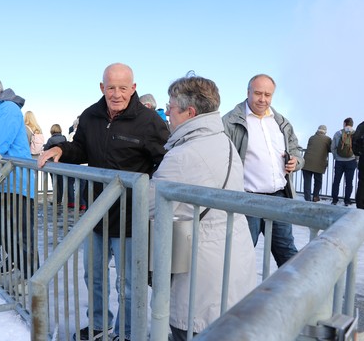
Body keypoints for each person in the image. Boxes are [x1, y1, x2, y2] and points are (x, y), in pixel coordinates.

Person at [38, 63, 170, 341]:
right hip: (97, 213)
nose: (117, 93)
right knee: (94, 276)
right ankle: (99, 325)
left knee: (129, 283)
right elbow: (81, 148)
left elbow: (166, 163)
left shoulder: (150, 122)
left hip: (131, 218)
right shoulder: (90, 116)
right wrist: (61, 148)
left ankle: (127, 332)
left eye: (123, 87)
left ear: (134, 88)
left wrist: (151, 198)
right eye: (111, 87)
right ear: (102, 88)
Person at [150, 72, 256, 340]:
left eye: (171, 108)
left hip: (200, 274)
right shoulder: (225, 142)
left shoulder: (184, 154)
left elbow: (150, 207)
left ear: (190, 112)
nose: (168, 115)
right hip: (230, 260)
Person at [222, 74, 302, 267]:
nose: (263, 99)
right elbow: (221, 157)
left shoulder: (280, 121)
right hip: (247, 199)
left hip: (279, 197)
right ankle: (240, 296)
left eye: (268, 94)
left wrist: (296, 161)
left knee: (287, 251)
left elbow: (296, 150)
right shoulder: (230, 122)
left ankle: (297, 295)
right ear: (248, 92)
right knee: (242, 254)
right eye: (258, 93)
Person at [0, 75, 37, 280]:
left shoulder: (7, 110)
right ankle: (22, 272)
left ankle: (31, 279)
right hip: (6, 182)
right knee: (9, 233)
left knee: (21, 235)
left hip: (16, 182)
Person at [331, 117, 357, 206]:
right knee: (349, 182)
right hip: (351, 161)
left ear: (345, 123)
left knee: (336, 180)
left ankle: (334, 199)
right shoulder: (355, 134)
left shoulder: (338, 133)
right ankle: (347, 200)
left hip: (339, 161)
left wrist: (336, 156)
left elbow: (333, 147)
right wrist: (355, 158)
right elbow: (358, 147)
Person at [301, 125, 331, 202]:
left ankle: (307, 198)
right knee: (318, 181)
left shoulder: (311, 137)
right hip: (319, 164)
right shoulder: (328, 139)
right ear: (325, 132)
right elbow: (330, 149)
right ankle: (315, 196)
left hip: (307, 162)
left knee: (307, 182)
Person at [43, 124, 67, 205]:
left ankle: (56, 200)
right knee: (61, 182)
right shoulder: (64, 138)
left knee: (55, 182)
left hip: (53, 164)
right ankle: (60, 200)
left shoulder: (51, 140)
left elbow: (46, 149)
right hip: (62, 163)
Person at [353, 120, 364, 209]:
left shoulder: (361, 125)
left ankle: (360, 205)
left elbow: (355, 142)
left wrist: (359, 153)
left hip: (363, 159)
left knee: (362, 182)